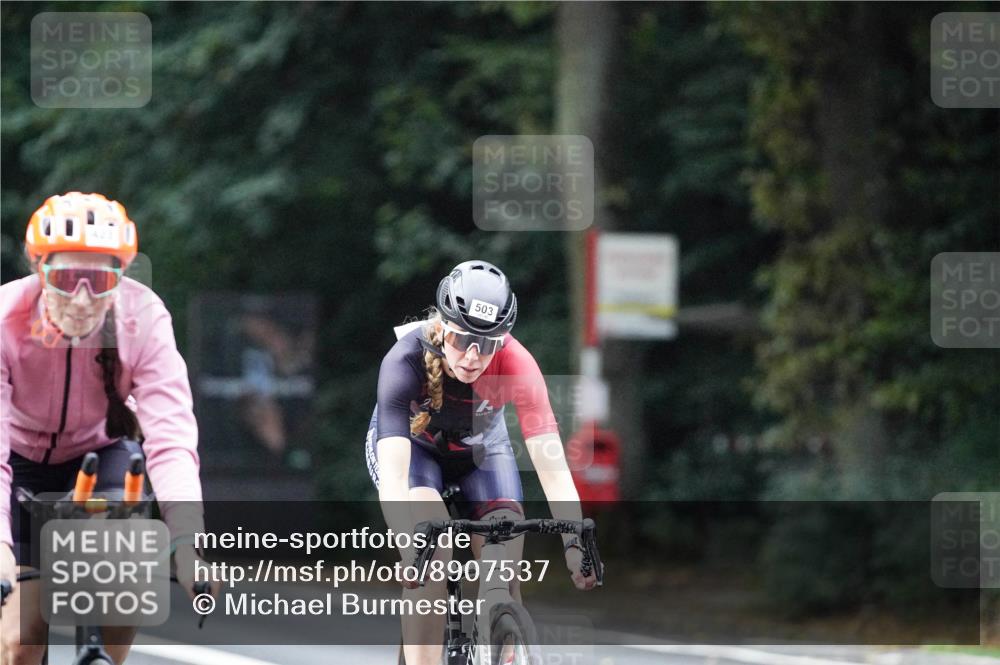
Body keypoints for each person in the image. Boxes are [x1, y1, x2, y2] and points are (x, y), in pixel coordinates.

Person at [0, 192, 215, 665]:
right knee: (22, 638)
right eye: (65, 278)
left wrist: (185, 541)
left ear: (120, 278)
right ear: (40, 271)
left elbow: (171, 437)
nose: (81, 298)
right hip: (18, 464)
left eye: (98, 280)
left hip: (101, 453)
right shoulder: (5, 319)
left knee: (125, 591)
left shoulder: (144, 317)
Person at [365, 260, 598, 665]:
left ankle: (504, 637)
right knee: (432, 560)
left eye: (488, 344)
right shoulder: (404, 360)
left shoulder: (518, 364)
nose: (473, 356)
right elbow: (393, 477)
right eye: (463, 340)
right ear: (443, 327)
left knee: (504, 574)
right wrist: (408, 547)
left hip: (481, 453)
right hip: (415, 455)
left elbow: (554, 469)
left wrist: (574, 543)